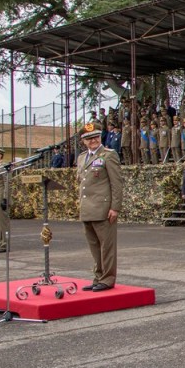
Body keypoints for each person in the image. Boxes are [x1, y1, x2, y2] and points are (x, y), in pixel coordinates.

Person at [77, 123, 124, 291]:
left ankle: (108, 279)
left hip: (103, 209)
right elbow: (81, 183)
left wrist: (115, 207)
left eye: (96, 137)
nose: (93, 140)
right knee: (94, 247)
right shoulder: (82, 157)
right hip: (87, 209)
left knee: (107, 246)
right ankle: (98, 276)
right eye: (89, 138)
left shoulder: (108, 155)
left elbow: (116, 183)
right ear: (83, 141)